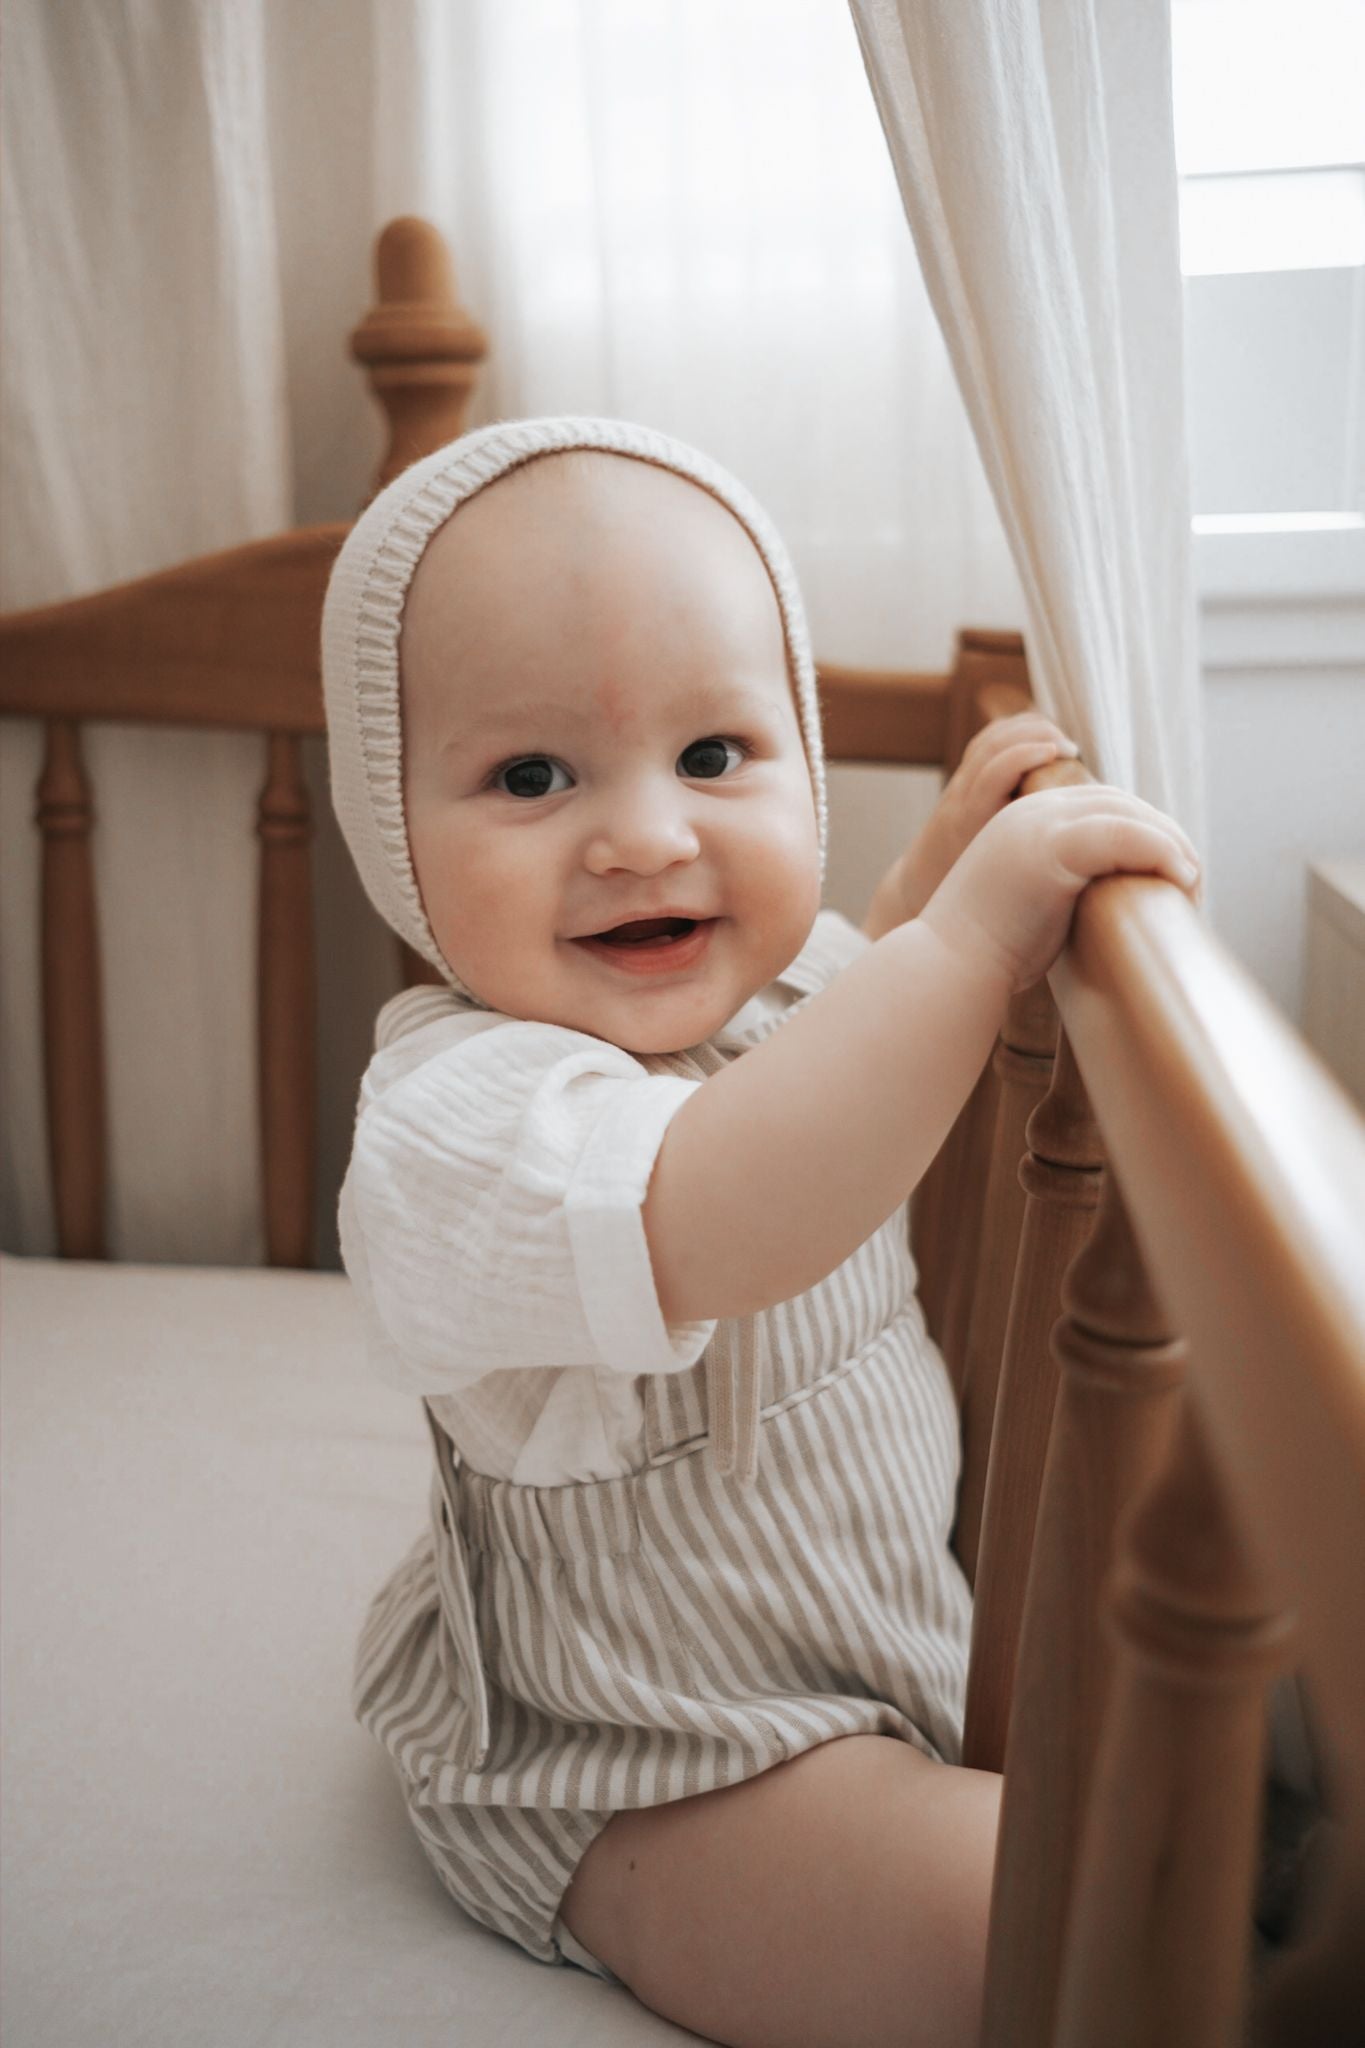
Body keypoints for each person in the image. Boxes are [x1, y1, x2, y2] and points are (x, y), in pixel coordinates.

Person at [321, 416, 1202, 2048]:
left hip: (882, 1629)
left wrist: (929, 886)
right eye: (531, 777)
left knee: (1213, 1772)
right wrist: (971, 945)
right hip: (657, 1761)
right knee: (1059, 1929)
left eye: (716, 755)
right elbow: (720, 1207)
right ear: (390, 829)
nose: (645, 837)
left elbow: (843, 1014)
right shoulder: (460, 1126)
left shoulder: (778, 991)